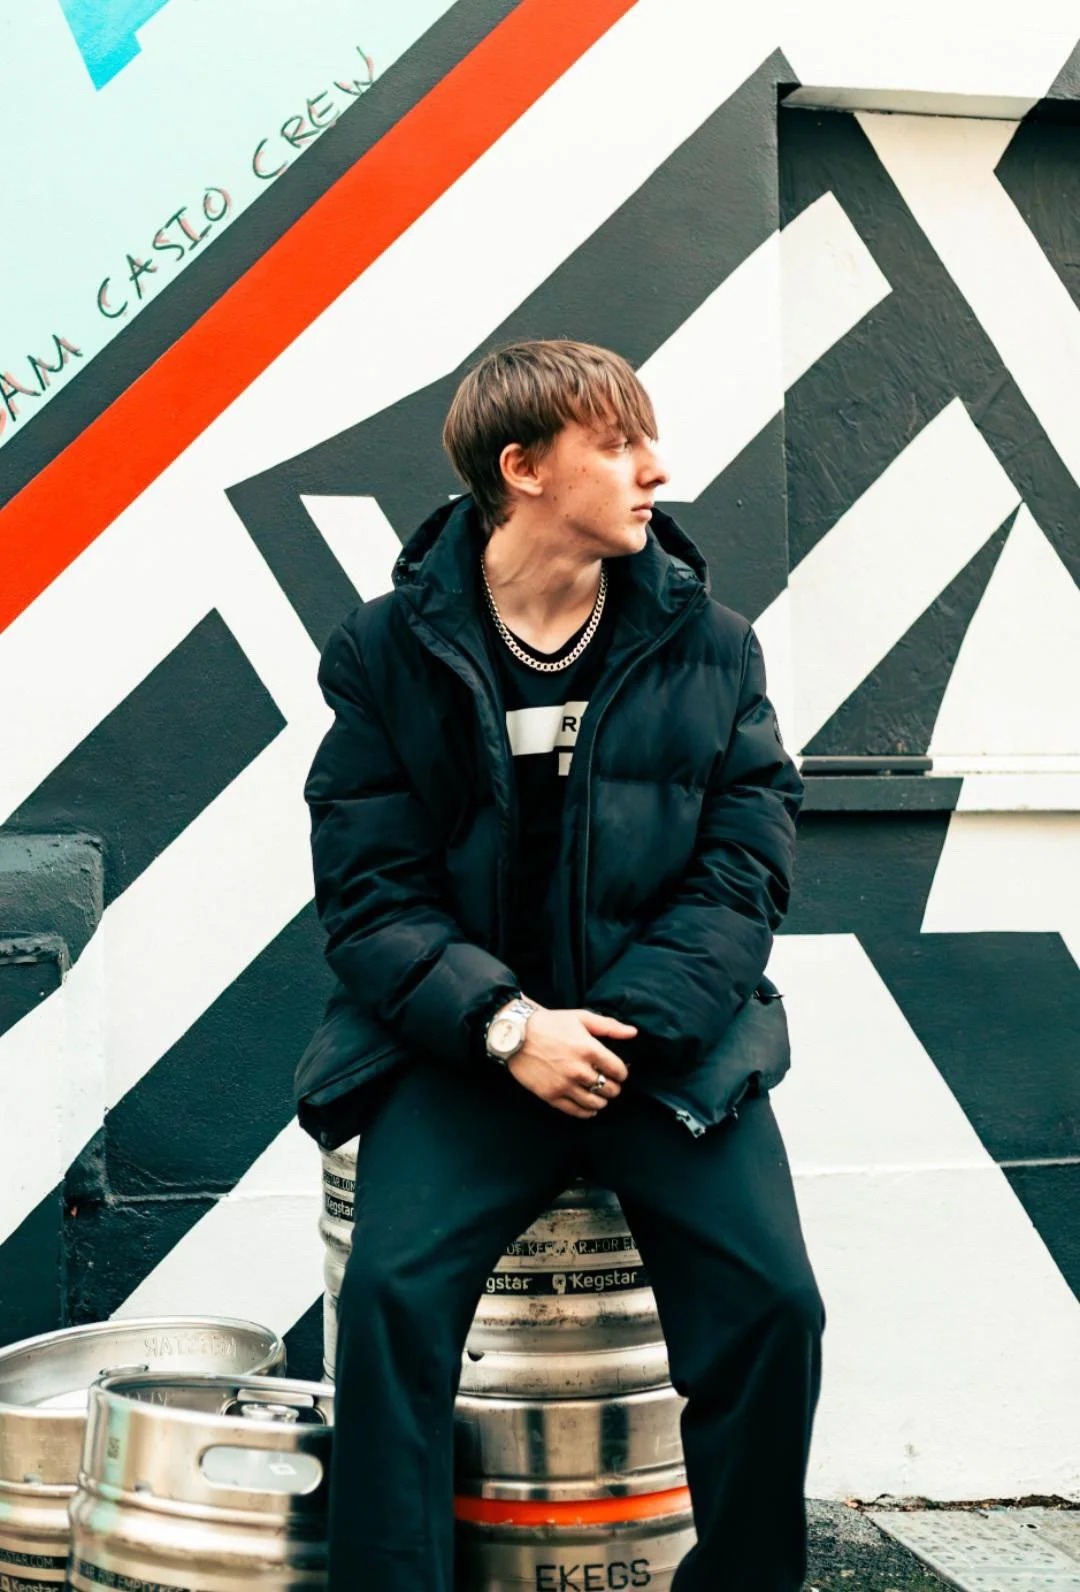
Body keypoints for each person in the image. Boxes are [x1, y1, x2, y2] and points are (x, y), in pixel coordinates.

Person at [299, 338, 824, 1590]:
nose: (657, 470)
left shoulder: (712, 644)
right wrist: (508, 1026)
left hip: (662, 1041)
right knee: (386, 1303)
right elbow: (371, 896)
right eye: (618, 444)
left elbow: (747, 862)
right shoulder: (385, 651)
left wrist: (623, 1025)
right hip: (472, 1048)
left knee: (773, 1309)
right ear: (522, 467)